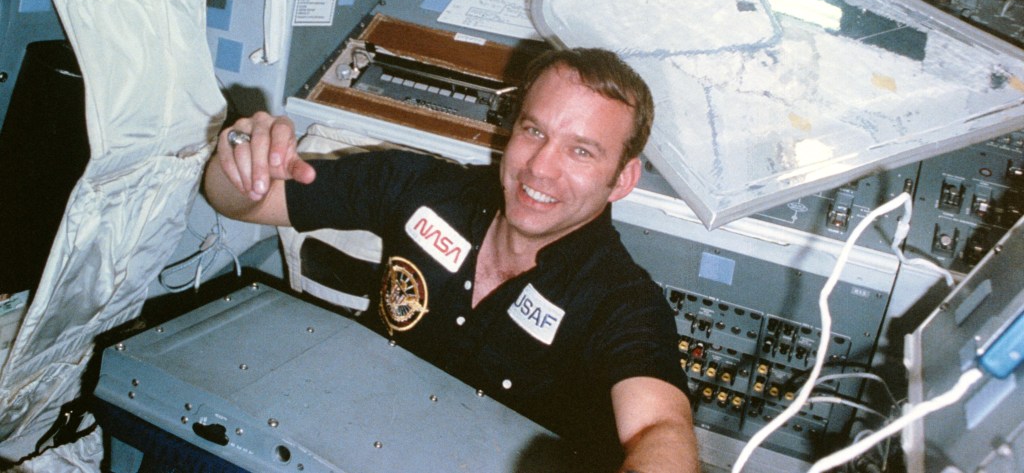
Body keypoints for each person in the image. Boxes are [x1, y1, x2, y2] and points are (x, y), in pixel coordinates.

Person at [203, 48, 700, 472]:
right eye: (533, 131)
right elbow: (237, 200)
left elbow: (661, 429)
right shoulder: (420, 188)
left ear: (624, 179)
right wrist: (241, 157)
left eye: (582, 152)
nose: (541, 167)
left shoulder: (622, 302)